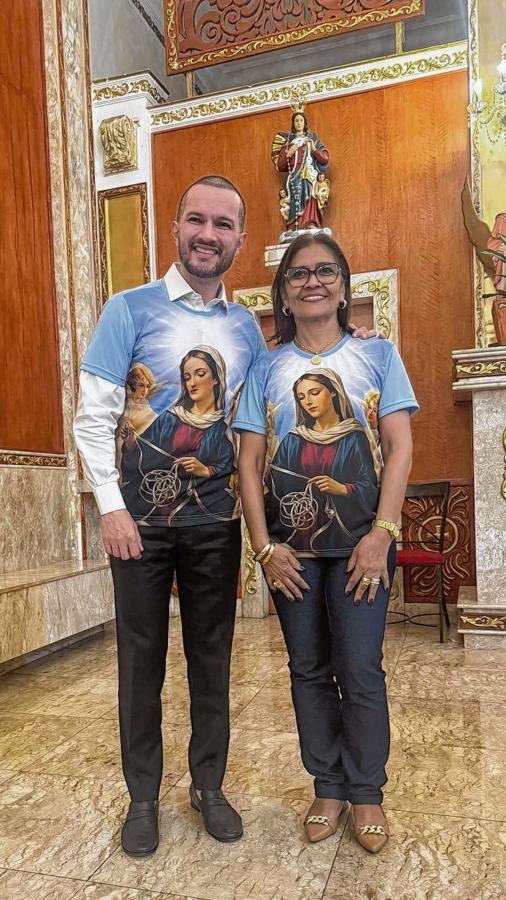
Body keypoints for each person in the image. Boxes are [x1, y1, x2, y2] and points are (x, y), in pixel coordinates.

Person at [74, 177, 380, 858]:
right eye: (196, 221)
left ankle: (208, 786)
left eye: (222, 225)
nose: (207, 235)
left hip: (215, 524)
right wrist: (111, 508)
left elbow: (281, 383)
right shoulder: (129, 309)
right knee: (140, 664)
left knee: (211, 660)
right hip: (138, 528)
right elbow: (93, 418)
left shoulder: (245, 326)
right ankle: (143, 797)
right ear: (176, 228)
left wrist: (353, 339)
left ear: (240, 239)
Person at [235, 233, 418, 853]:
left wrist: (381, 534)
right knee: (308, 669)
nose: (312, 281)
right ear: (284, 294)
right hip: (293, 555)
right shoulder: (265, 368)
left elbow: (398, 447)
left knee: (360, 667)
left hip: (364, 547)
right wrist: (264, 548)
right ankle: (328, 785)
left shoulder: (378, 355)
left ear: (343, 287)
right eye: (298, 274)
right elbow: (250, 462)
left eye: (326, 271)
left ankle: (366, 790)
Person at [275, 110, 329, 230]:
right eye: (296, 121)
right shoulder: (289, 143)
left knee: (310, 194)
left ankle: (311, 222)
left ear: (304, 123)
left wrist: (314, 150)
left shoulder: (312, 139)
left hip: (310, 173)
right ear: (293, 124)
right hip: (295, 174)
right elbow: (280, 166)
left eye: (301, 120)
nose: (299, 123)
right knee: (296, 195)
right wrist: (289, 153)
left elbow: (325, 158)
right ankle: (295, 225)